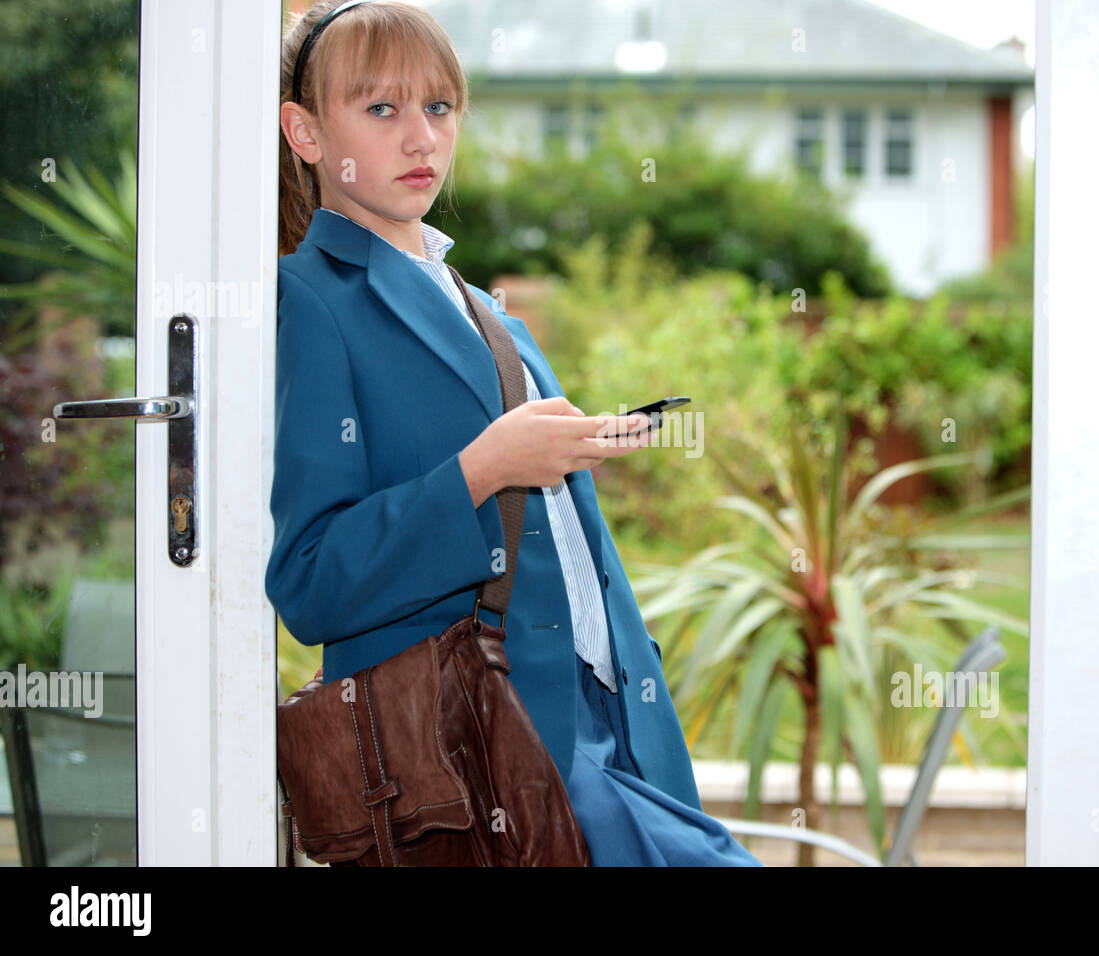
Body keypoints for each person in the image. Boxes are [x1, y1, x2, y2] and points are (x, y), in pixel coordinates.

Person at [269, 0, 761, 867]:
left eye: (439, 107)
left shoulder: (481, 305)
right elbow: (310, 581)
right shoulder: (310, 300)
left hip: (606, 716)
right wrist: (484, 468)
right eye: (382, 110)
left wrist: (571, 449)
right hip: (494, 743)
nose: (421, 138)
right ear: (306, 134)